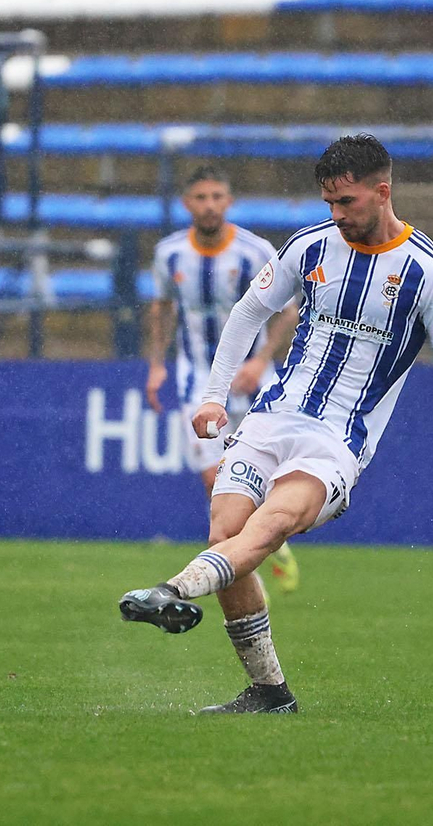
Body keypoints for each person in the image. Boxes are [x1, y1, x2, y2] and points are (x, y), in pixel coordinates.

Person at [118, 134, 433, 714]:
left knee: (271, 526)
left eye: (347, 204)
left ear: (382, 191)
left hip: (340, 440)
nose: (336, 217)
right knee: (226, 533)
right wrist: (214, 396)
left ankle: (172, 591)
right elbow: (249, 313)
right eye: (329, 205)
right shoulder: (310, 247)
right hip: (272, 416)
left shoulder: (427, 274)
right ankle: (270, 692)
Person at [145, 165, 301, 589]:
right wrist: (158, 367)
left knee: (262, 473)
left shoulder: (254, 250)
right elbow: (161, 307)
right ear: (187, 204)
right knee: (215, 478)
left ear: (229, 201)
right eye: (201, 197)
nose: (209, 205)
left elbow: (289, 308)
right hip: (197, 377)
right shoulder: (170, 254)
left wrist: (261, 360)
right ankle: (258, 554)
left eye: (217, 196)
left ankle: (260, 545)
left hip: (252, 375)